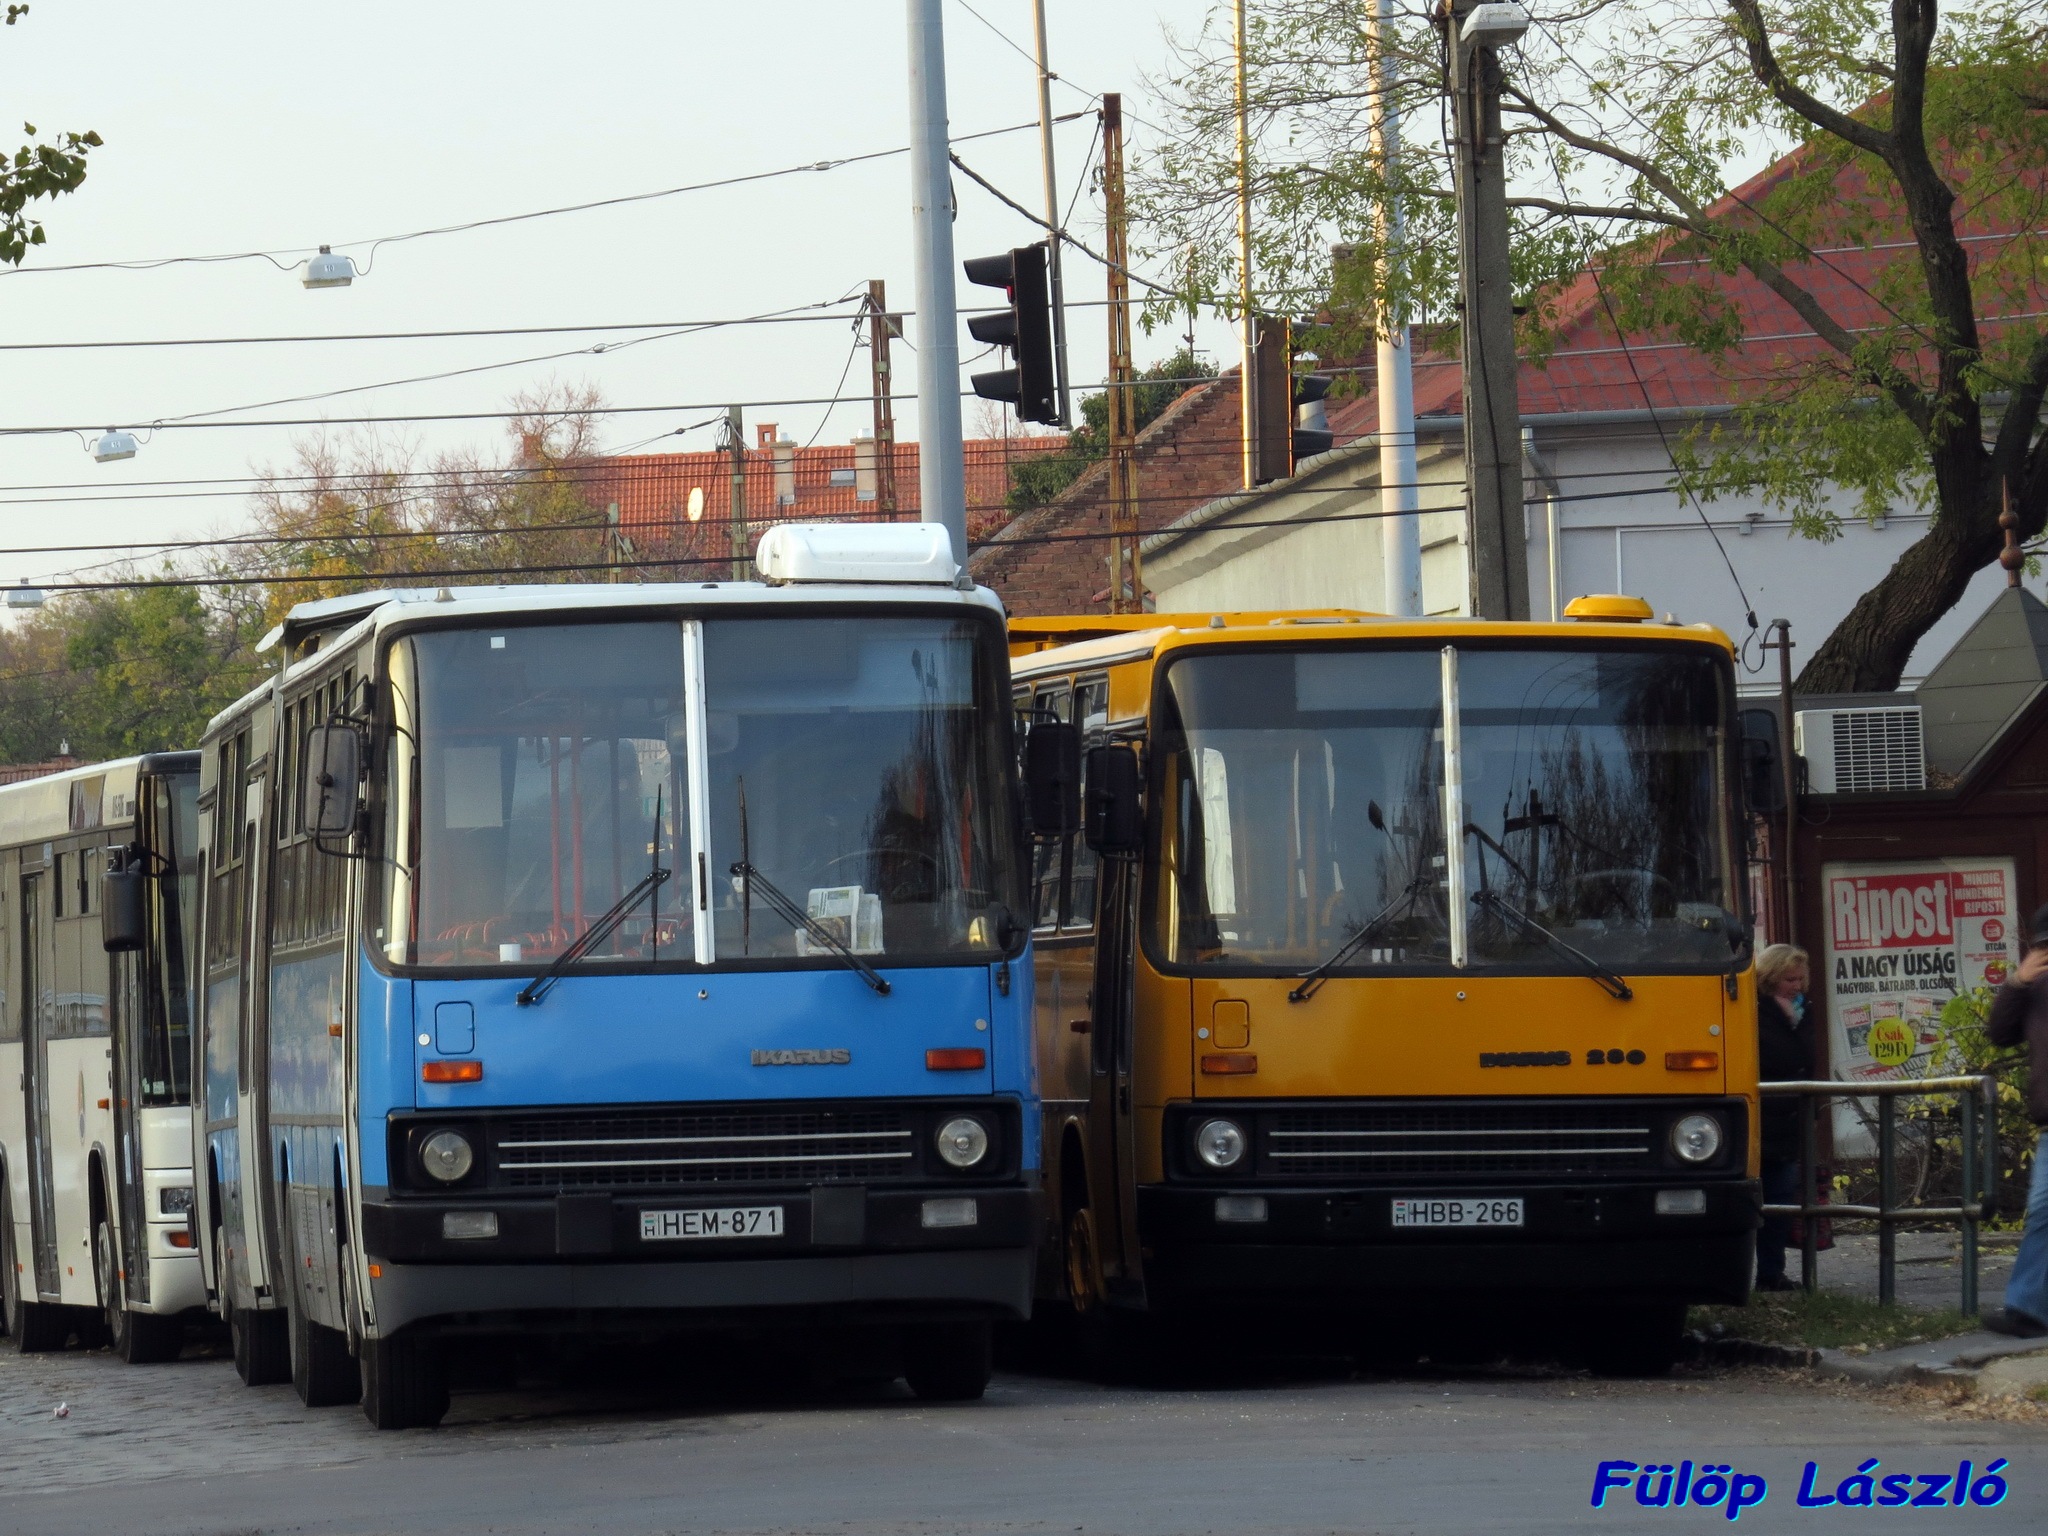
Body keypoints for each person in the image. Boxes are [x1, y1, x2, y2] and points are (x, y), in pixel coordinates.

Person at [1984, 904, 2048, 1338]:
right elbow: (2000, 1033)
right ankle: (2027, 1308)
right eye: (2041, 948)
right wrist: (2016, 983)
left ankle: (2028, 1306)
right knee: (2043, 1210)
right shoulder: (2035, 989)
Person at [1754, 943, 1812, 1292]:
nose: (1797, 986)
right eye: (1789, 979)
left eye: (1800, 979)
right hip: (1763, 1116)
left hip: (1791, 1118)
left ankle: (1771, 1274)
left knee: (1781, 1202)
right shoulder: (1754, 1011)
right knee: (1761, 1202)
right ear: (1771, 978)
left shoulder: (1803, 1010)